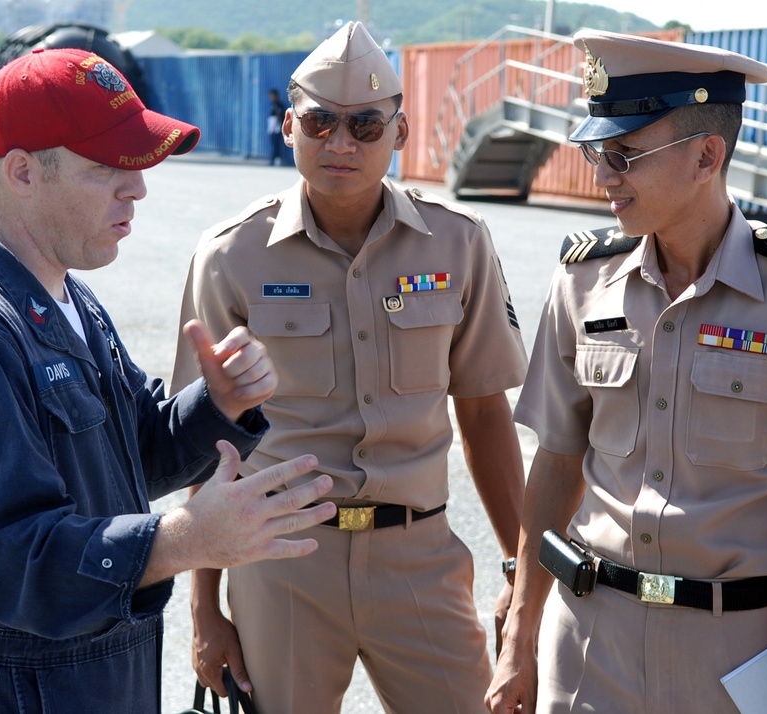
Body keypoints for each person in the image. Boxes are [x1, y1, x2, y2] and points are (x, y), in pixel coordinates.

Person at [0, 47, 337, 714]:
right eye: (106, 167)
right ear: (22, 172)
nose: (138, 188)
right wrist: (185, 538)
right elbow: (15, 564)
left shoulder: (67, 297)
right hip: (9, 694)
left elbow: (132, 456)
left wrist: (220, 403)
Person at [487, 29, 767, 714]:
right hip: (589, 645)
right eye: (597, 153)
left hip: (735, 658)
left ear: (706, 156)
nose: (604, 176)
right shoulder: (583, 280)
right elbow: (556, 463)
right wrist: (521, 632)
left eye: (624, 155)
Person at [170, 21, 528, 714]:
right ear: (289, 127)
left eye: (365, 125)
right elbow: (206, 441)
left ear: (399, 132)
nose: (341, 144)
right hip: (282, 561)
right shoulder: (230, 255)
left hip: (419, 557)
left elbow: (485, 412)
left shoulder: (458, 243)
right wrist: (204, 610)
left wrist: (519, 569)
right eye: (320, 122)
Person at [268, 88, 287, 165]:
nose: (270, 97)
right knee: (273, 144)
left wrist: (274, 127)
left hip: (276, 128)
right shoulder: (272, 104)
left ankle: (276, 160)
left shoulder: (278, 105)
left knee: (277, 144)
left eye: (272, 95)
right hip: (272, 128)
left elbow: (278, 116)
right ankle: (273, 159)